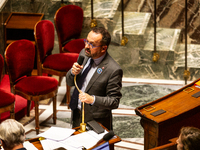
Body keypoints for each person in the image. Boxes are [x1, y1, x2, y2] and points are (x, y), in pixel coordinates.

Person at [66, 27, 123, 130]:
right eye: (86, 41)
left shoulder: (113, 70)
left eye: (92, 44)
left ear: (103, 48)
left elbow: (114, 101)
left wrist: (92, 99)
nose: (87, 46)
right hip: (77, 113)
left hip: (96, 121)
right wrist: (72, 72)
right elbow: (69, 82)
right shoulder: (84, 53)